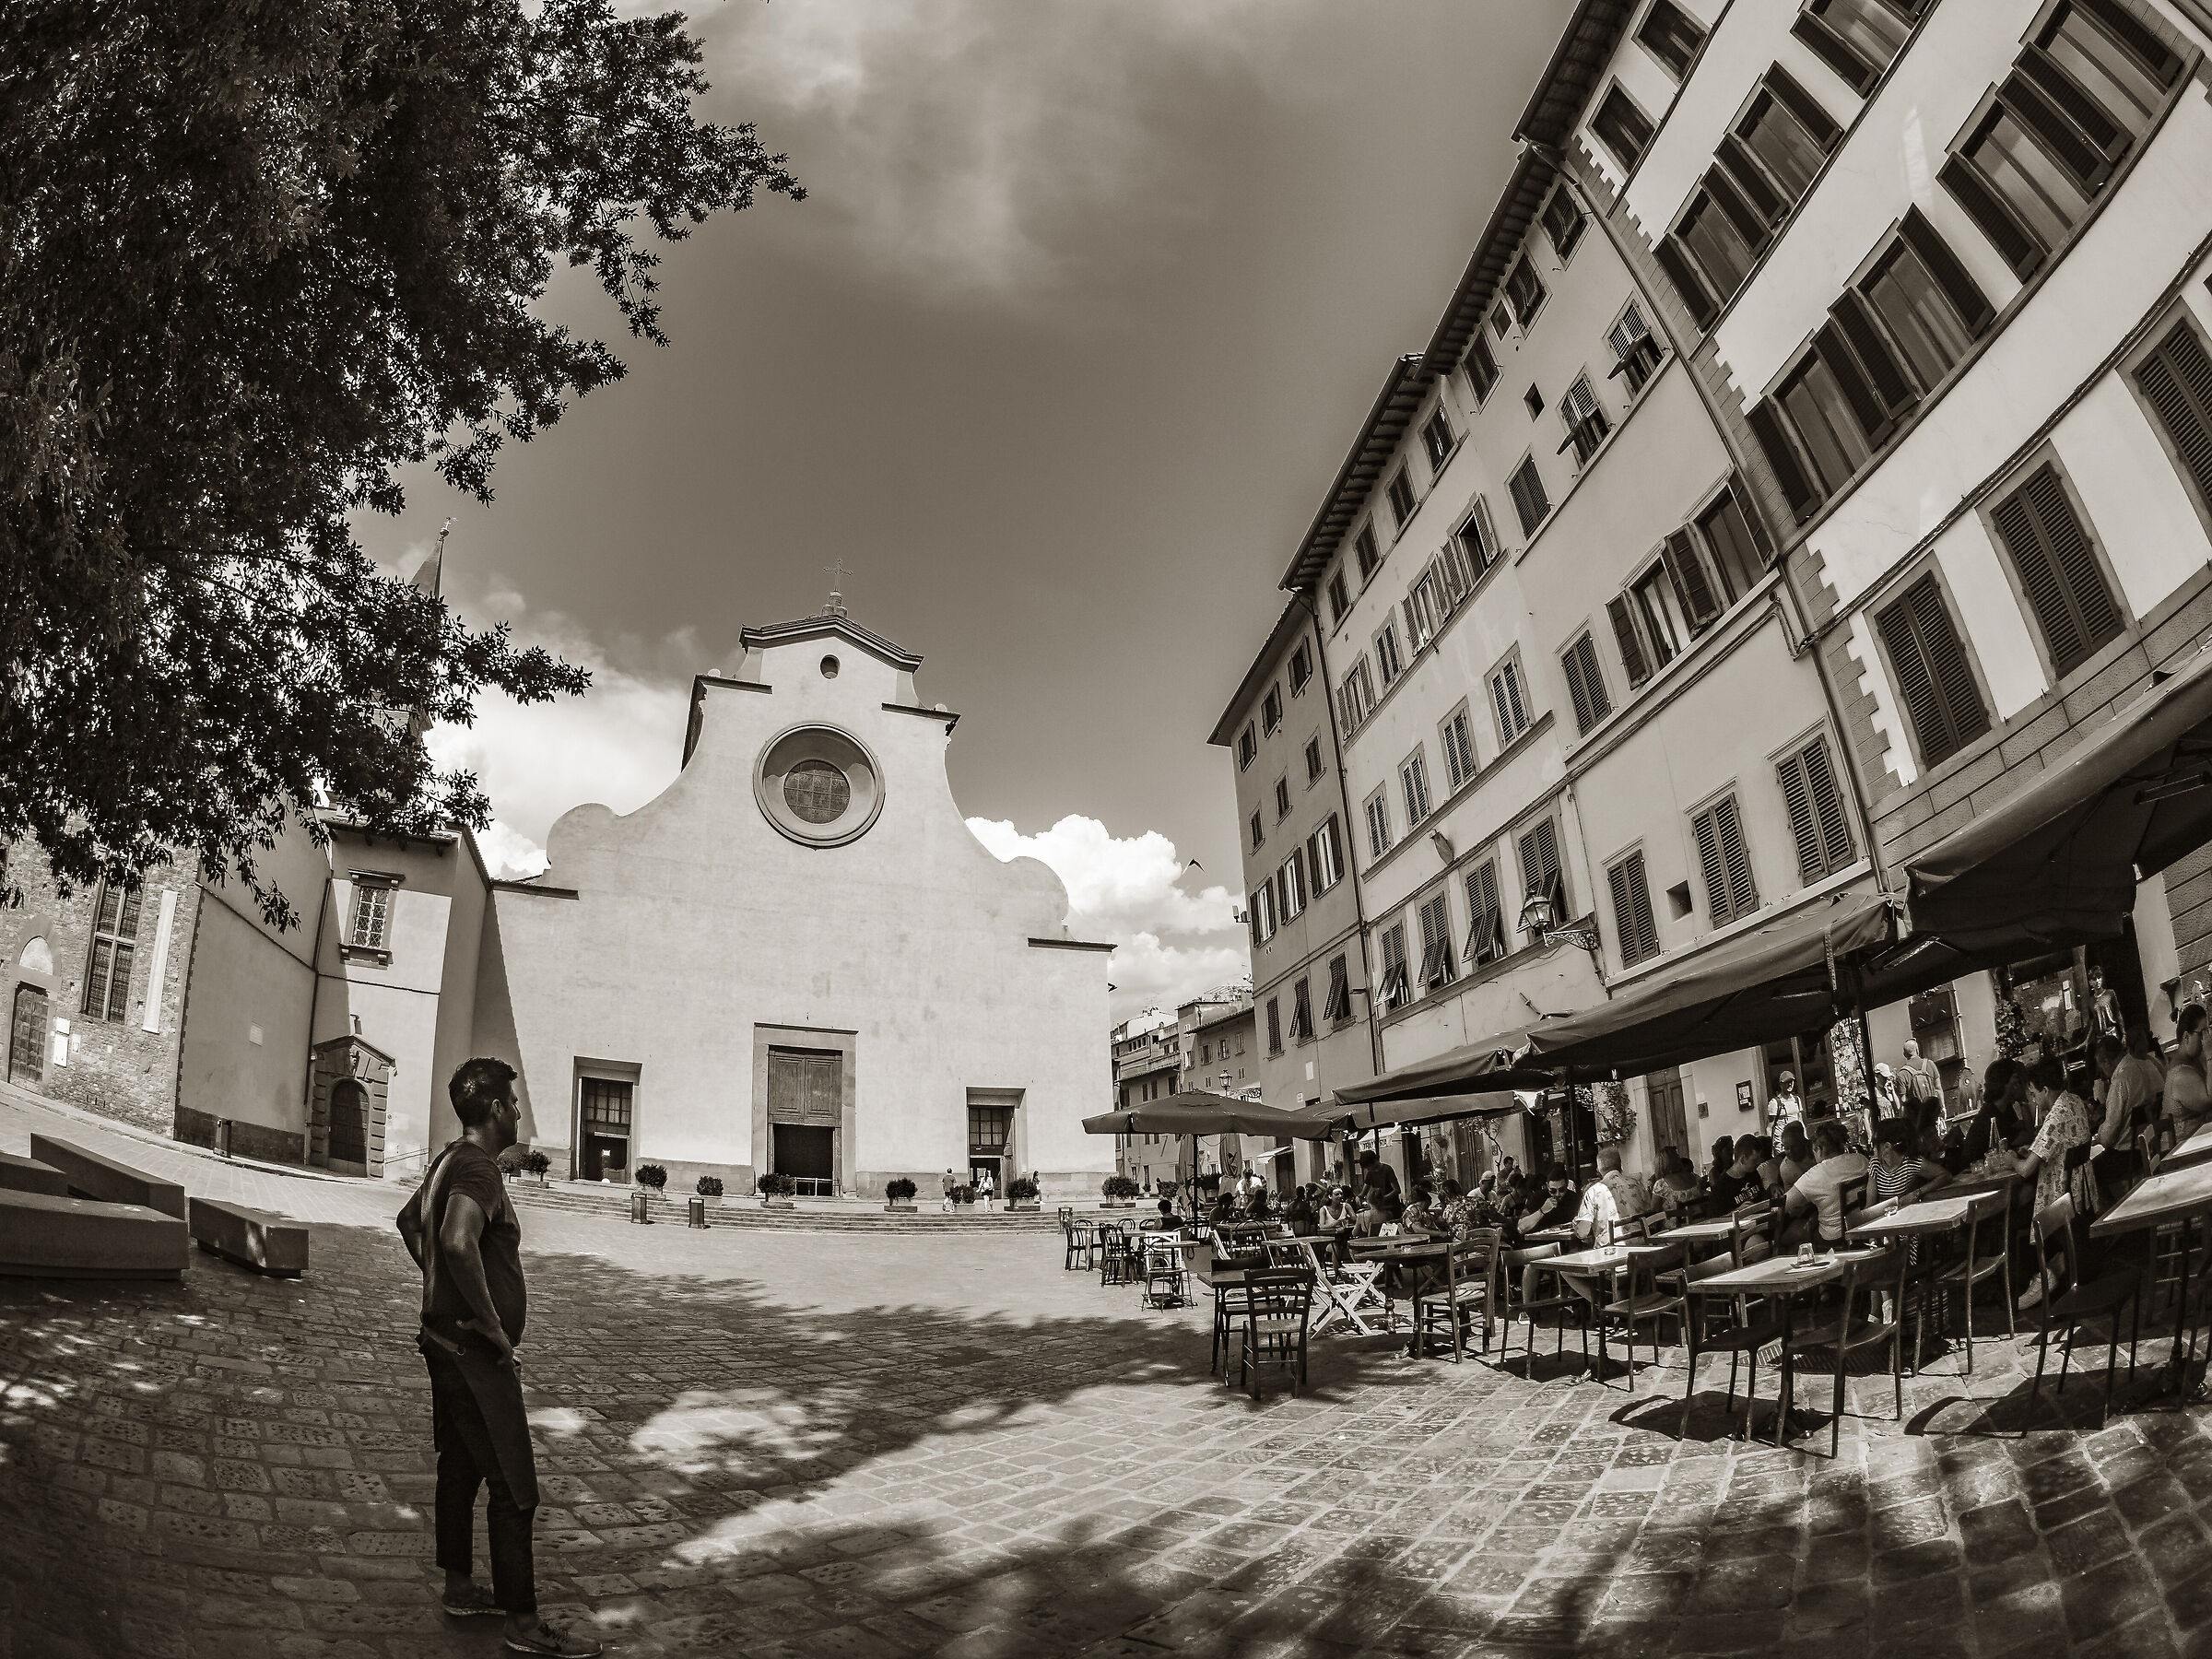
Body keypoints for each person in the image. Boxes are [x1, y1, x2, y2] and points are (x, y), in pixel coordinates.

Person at [396, 1059, 602, 1658]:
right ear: (493, 1110)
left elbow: (411, 1223)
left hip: (443, 1342)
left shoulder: (448, 1159)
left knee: (461, 1467)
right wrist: (489, 1321)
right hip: (472, 1353)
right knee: (514, 1486)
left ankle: (460, 1587)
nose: (517, 1111)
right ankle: (523, 1620)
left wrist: (440, 1289)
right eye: (512, 1103)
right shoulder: (479, 1168)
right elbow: (457, 1239)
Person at [2015, 1056, 2096, 1307]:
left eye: (2033, 1093)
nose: (2033, 1099)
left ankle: (2043, 1274)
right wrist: (2032, 1149)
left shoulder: (2054, 1117)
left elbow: (2026, 1170)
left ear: (2045, 1090)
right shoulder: (2074, 1101)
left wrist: (2010, 1160)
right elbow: (2055, 1144)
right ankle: (2057, 1265)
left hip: (2061, 1199)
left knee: (2017, 1215)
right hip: (2083, 1191)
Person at [1780, 1119, 1869, 1251]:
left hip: (1834, 1238)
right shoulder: (1861, 1159)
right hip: (1865, 1226)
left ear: (1818, 1149)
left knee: (1789, 1240)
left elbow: (1783, 1205)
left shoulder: (1815, 1174)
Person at [2167, 1004, 2210, 1143]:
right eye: (2202, 1033)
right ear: (2186, 1036)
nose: (2206, 1038)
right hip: (2189, 1144)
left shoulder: (2194, 1060)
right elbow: (2209, 1101)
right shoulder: (2180, 1073)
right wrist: (2210, 1056)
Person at [1595, 1146, 1648, 1223]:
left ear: (1600, 1168)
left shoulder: (1595, 1191)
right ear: (1620, 1164)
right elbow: (1649, 1212)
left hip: (1613, 1231)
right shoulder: (1637, 1184)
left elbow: (1584, 1227)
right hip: (1641, 1230)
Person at [1898, 1041, 1943, 1118]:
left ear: (1904, 1054)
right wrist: (1943, 1107)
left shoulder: (1902, 1073)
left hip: (1917, 1117)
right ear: (1917, 1050)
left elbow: (1903, 1101)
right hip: (1933, 1112)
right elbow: (1938, 1088)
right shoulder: (1930, 1064)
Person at [1775, 1124, 1814, 1190]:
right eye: (1787, 1148)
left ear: (1803, 1143)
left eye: (1794, 1146)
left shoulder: (1817, 1152)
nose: (1791, 1151)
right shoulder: (1786, 1169)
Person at [1767, 1071, 1804, 1136]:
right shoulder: (1775, 1103)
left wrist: (1805, 1138)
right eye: (1787, 1082)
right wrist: (1769, 1142)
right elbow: (1769, 1128)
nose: (1789, 1084)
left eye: (1791, 1082)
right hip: (1781, 1141)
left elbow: (1801, 1122)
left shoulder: (1797, 1099)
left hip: (1796, 1139)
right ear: (1781, 1085)